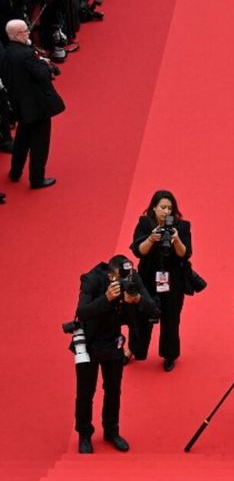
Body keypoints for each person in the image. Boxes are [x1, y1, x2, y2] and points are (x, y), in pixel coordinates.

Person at [72, 254, 158, 453]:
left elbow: (153, 310)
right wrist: (107, 298)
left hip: (113, 342)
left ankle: (111, 431)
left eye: (128, 276)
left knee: (113, 390)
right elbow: (82, 312)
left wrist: (137, 299)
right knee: (86, 392)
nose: (126, 281)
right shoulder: (92, 279)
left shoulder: (132, 278)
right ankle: (84, 434)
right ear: (111, 275)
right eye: (121, 277)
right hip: (89, 341)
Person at [129, 190, 192, 372]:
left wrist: (176, 239)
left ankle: (169, 354)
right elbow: (138, 251)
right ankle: (134, 349)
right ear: (154, 207)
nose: (166, 212)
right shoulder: (144, 224)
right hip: (148, 277)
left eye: (170, 208)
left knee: (171, 318)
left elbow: (185, 253)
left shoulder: (182, 226)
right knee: (141, 314)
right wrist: (151, 238)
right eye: (163, 207)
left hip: (173, 279)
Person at [1, 18, 63, 189]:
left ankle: (15, 172)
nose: (28, 33)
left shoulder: (6, 53)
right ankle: (37, 178)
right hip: (36, 105)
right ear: (16, 35)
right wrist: (44, 64)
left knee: (22, 140)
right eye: (25, 31)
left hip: (20, 104)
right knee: (40, 144)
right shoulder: (26, 54)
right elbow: (42, 75)